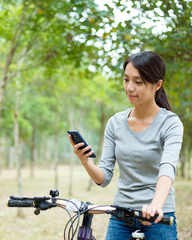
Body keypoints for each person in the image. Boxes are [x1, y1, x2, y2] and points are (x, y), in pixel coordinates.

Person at [69, 51, 183, 240]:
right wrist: (85, 161)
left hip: (159, 214)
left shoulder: (170, 123)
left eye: (138, 82)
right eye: (126, 80)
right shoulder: (115, 123)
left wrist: (156, 205)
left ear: (158, 85)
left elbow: (167, 167)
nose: (130, 88)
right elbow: (103, 178)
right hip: (121, 214)